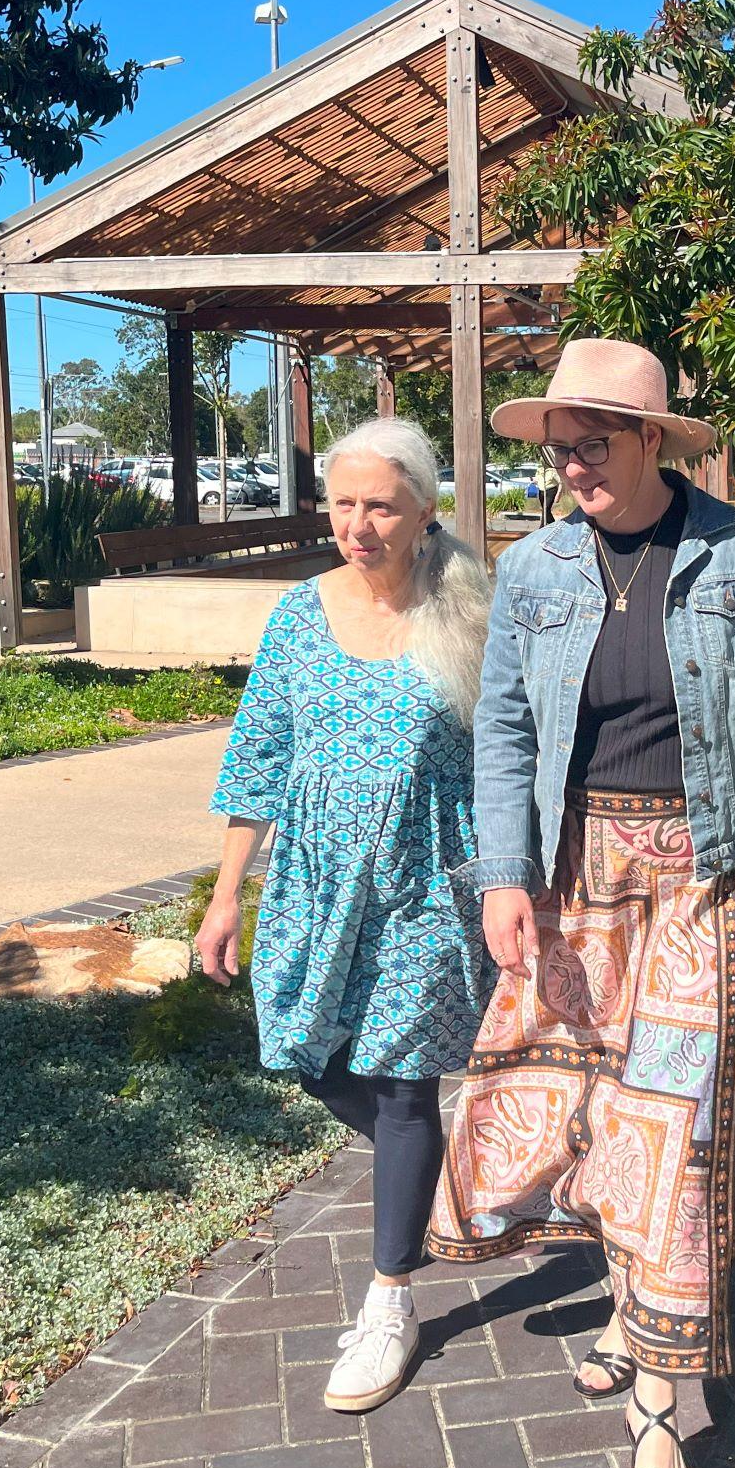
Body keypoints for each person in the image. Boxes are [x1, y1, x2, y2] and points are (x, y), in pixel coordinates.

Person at [427, 339, 735, 1468]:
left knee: (676, 1118)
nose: (568, 466)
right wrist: (503, 875)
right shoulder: (536, 567)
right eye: (556, 448)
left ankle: (658, 1422)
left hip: (707, 877)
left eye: (590, 443)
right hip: (572, 876)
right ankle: (625, 1304)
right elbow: (502, 732)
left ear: (653, 438)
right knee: (589, 1107)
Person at [195, 417, 494, 1415]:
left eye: (380, 505)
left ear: (421, 509)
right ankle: (433, 1172)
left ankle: (391, 1298)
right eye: (343, 503)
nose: (358, 525)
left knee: (404, 1085)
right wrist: (226, 891)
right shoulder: (296, 612)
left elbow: (508, 755)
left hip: (423, 879)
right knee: (306, 1054)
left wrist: (512, 883)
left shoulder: (465, 608)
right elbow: (259, 755)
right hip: (315, 879)